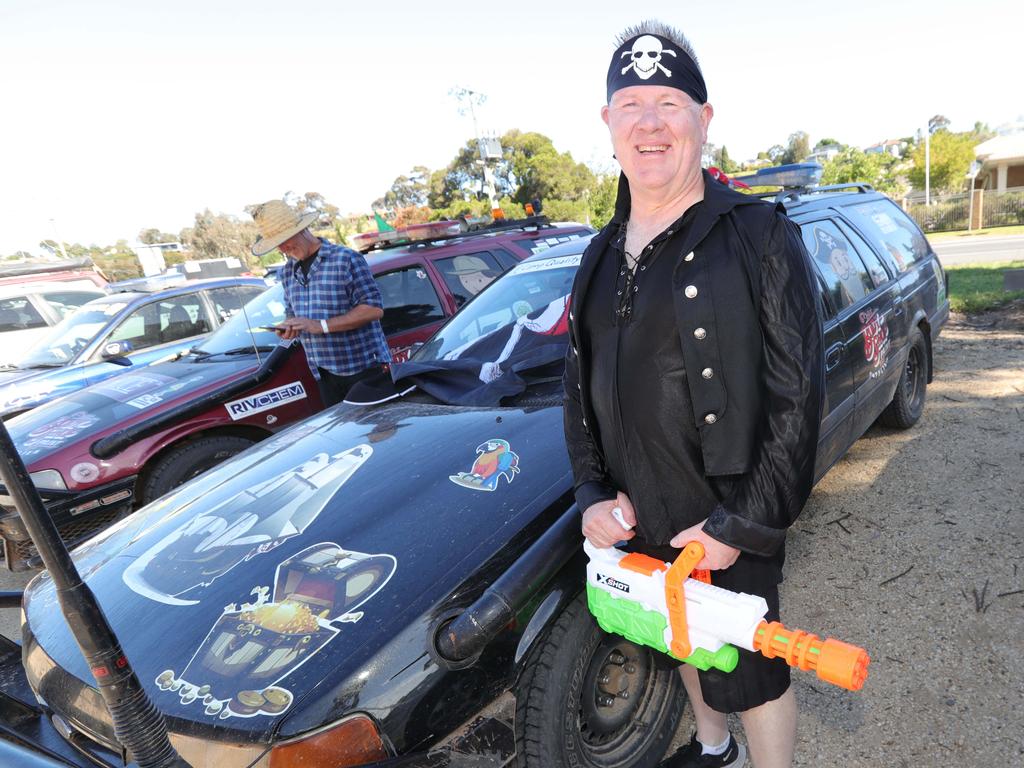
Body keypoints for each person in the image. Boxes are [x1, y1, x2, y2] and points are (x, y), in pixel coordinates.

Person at [563, 21, 824, 768]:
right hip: (638, 505)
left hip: (730, 506)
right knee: (677, 634)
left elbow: (797, 394)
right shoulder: (597, 252)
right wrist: (590, 492)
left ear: (704, 122)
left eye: (670, 102)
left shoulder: (758, 234)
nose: (650, 122)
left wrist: (741, 524)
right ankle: (716, 751)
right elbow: (575, 386)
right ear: (608, 125)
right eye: (631, 104)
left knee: (752, 669)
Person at [250, 200, 391, 406]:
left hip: (365, 370)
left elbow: (373, 309)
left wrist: (319, 326)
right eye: (276, 244)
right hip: (322, 373)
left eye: (284, 239)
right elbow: (292, 312)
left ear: (303, 229)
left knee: (379, 434)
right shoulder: (288, 271)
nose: (282, 248)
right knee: (344, 437)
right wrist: (289, 326)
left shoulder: (346, 259)